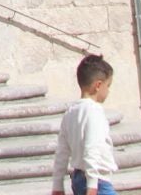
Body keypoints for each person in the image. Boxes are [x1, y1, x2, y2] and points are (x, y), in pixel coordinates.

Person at [50, 55, 116, 195]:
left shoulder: (70, 112)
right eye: (108, 86)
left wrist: (57, 184)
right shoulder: (94, 111)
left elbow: (62, 151)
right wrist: (92, 186)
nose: (109, 91)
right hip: (97, 182)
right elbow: (91, 147)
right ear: (98, 85)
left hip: (78, 179)